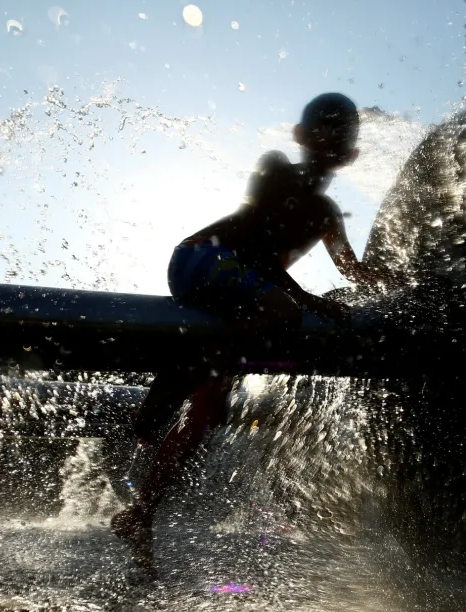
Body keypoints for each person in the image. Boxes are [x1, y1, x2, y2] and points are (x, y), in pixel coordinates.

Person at [111, 92, 393, 575]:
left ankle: (140, 514)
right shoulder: (276, 170)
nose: (331, 137)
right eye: (322, 126)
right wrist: (309, 301)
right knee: (283, 313)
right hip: (201, 259)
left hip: (242, 300)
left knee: (205, 417)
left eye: (341, 133)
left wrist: (405, 283)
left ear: (351, 155)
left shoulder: (326, 214)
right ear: (301, 136)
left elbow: (354, 271)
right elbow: (260, 254)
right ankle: (182, 371)